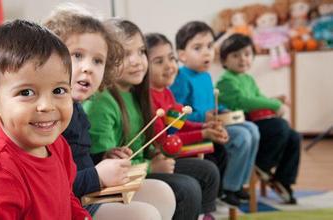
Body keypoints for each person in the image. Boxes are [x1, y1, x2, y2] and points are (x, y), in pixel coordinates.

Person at [44, 4, 175, 220]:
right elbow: (53, 184)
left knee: (163, 193)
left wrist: (102, 157)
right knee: (146, 215)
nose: (88, 67)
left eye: (97, 60)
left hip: (88, 194)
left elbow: (79, 160)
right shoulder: (49, 116)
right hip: (71, 206)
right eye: (77, 55)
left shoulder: (77, 110)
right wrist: (97, 175)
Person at [84, 18, 219, 220]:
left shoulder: (137, 93)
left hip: (142, 164)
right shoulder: (101, 103)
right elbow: (107, 166)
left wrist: (158, 154)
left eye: (140, 52)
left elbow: (148, 142)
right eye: (125, 54)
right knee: (186, 188)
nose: (137, 60)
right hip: (121, 178)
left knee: (207, 170)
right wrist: (151, 167)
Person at [0, 20, 90, 219]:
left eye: (59, 90)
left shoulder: (57, 144)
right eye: (26, 92)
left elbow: (67, 197)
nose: (47, 106)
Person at [171, 21, 260, 206]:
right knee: (242, 136)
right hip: (197, 129)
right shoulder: (181, 77)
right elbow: (176, 116)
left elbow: (211, 104)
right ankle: (228, 188)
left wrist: (222, 110)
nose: (207, 52)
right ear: (182, 55)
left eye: (210, 46)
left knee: (253, 129)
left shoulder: (206, 75)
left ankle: (237, 185)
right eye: (198, 48)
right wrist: (204, 117)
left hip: (213, 123)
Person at [146, 32, 228, 219]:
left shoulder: (166, 92)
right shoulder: (149, 98)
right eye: (159, 61)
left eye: (171, 58)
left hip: (169, 150)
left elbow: (180, 123)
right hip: (161, 155)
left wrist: (204, 128)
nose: (169, 66)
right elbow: (164, 140)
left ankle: (204, 212)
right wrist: (204, 133)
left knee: (212, 165)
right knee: (208, 170)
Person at [216, 33, 301, 204]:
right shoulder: (225, 81)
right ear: (224, 61)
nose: (242, 59)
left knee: (294, 136)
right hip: (240, 123)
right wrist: (274, 105)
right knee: (280, 126)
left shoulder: (248, 78)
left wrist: (275, 100)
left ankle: (283, 179)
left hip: (253, 122)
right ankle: (262, 164)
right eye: (235, 55)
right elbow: (243, 101)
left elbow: (259, 99)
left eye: (247, 54)